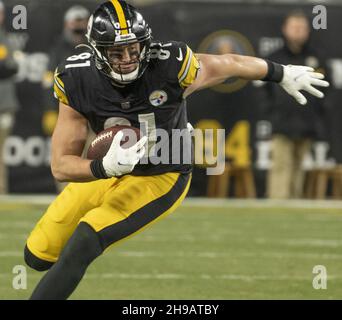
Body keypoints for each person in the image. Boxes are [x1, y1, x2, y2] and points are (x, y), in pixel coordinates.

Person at [24, 0, 329, 300]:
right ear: (96, 51)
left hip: (161, 174)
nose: (129, 58)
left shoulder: (170, 65)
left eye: (134, 49)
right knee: (36, 255)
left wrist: (280, 73)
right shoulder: (77, 77)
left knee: (85, 241)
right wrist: (102, 168)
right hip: (109, 170)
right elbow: (60, 165)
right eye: (117, 52)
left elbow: (229, 64)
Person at [264, 10, 328, 199]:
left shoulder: (317, 57)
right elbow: (263, 91)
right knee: (281, 166)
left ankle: (295, 208)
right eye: (294, 27)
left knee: (300, 167)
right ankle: (278, 206)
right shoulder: (274, 57)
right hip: (281, 122)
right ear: (285, 29)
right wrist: (271, 113)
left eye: (302, 28)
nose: (298, 31)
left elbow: (327, 90)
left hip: (307, 122)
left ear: (308, 30)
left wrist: (318, 115)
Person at [42, 5, 90, 137]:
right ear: (67, 24)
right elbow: (48, 79)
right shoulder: (58, 49)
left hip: (91, 108)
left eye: (83, 22)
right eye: (75, 22)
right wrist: (50, 109)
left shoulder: (94, 46)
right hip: (66, 108)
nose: (79, 26)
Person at [0, 0, 19, 194]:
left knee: (1, 153)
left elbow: (13, 67)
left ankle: (1, 190)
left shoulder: (6, 39)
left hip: (4, 104)